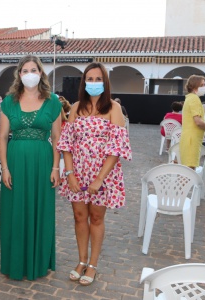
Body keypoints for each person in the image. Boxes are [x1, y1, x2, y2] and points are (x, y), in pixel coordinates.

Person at [57, 62, 132, 286]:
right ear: (84, 82)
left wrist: (100, 178)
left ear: (105, 82)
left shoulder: (114, 109)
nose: (93, 83)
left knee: (97, 218)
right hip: (78, 172)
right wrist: (69, 173)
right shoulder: (77, 107)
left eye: (98, 79)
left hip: (103, 175)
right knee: (79, 217)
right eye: (89, 79)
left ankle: (93, 264)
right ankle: (81, 260)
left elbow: (117, 148)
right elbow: (67, 144)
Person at [0, 55, 62, 281]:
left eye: (33, 69)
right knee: (14, 211)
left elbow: (57, 138)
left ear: (41, 73)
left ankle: (38, 262)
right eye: (25, 70)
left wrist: (56, 168)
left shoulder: (53, 101)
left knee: (40, 210)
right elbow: (3, 137)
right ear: (19, 75)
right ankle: (14, 262)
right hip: (15, 162)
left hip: (42, 163)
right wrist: (4, 168)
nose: (29, 74)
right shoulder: (9, 102)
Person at [179, 75, 205, 169]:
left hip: (189, 138)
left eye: (204, 85)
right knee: (190, 171)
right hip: (192, 140)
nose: (204, 87)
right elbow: (198, 122)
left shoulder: (189, 98)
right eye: (201, 85)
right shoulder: (194, 99)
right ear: (193, 86)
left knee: (187, 170)